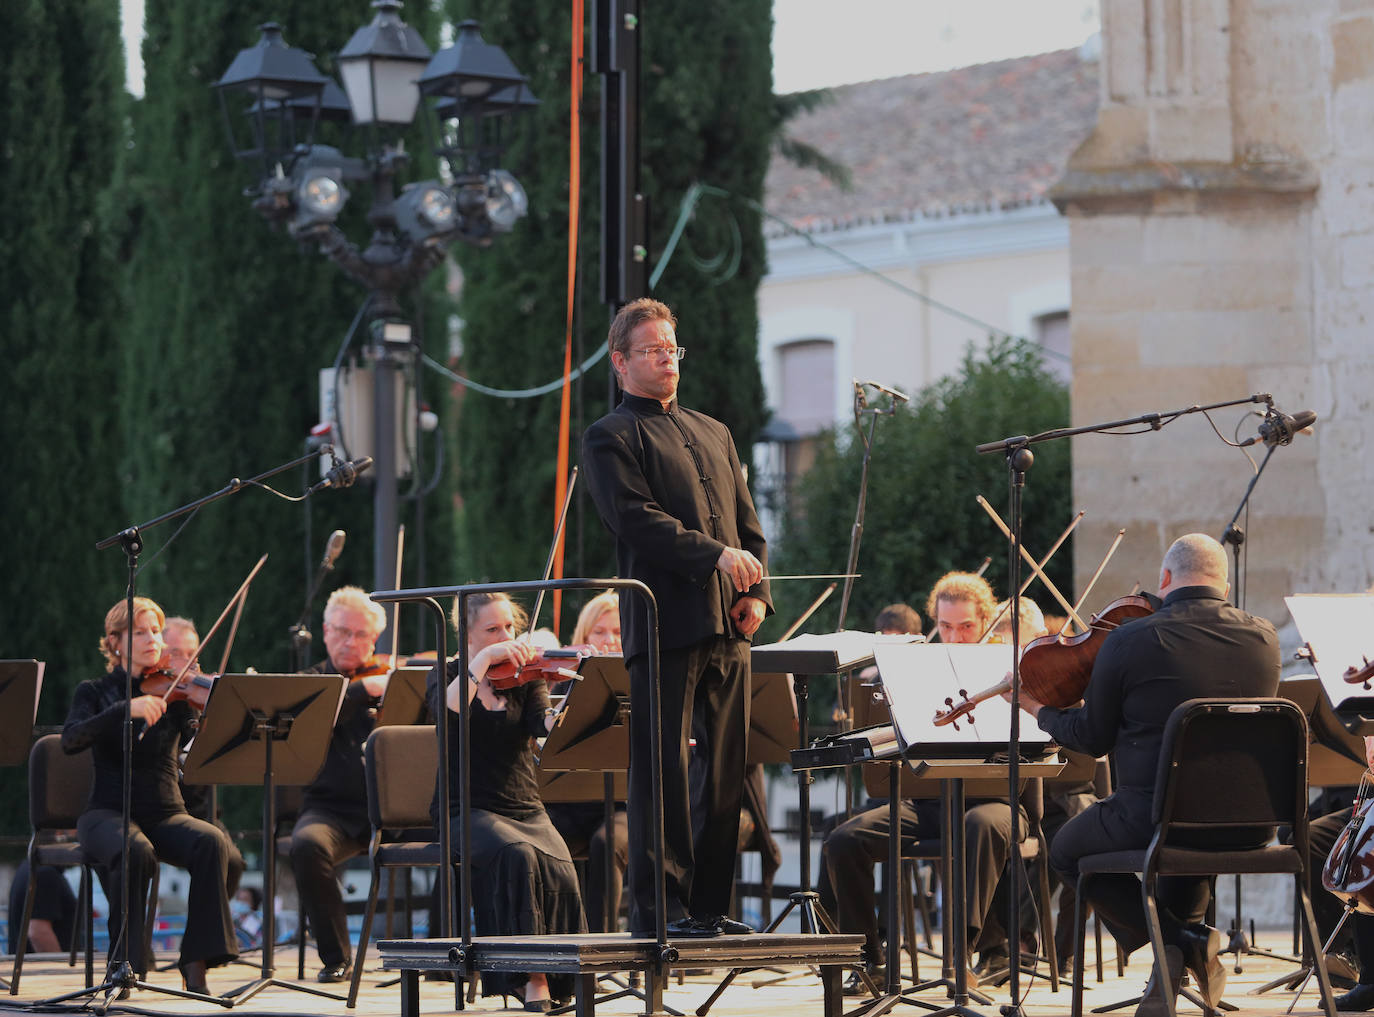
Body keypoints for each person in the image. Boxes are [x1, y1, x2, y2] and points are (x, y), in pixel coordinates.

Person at [1008, 533, 1280, 1016]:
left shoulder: (1132, 638)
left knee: (1067, 851)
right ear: (1226, 582)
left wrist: (1037, 708)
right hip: (1252, 823)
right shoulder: (1263, 637)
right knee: (1193, 835)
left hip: (1153, 817)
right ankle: (1177, 952)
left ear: (1165, 579)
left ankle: (1180, 941)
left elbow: (1091, 738)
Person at [582, 297, 772, 938]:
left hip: (729, 624)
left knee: (725, 771)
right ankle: (660, 913)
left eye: (672, 349)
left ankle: (711, 910)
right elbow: (635, 520)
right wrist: (718, 556)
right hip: (663, 621)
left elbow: (747, 520)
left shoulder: (714, 430)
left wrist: (757, 593)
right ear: (620, 362)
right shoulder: (611, 435)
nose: (667, 359)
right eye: (653, 350)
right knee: (661, 772)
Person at [821, 571, 1030, 989]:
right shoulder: (920, 670)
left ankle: (962, 956)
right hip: (929, 802)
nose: (954, 637)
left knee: (979, 825)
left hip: (996, 805)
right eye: (946, 626)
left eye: (966, 626)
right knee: (844, 840)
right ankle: (869, 960)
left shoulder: (1010, 669)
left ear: (985, 621)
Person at [62, 596, 238, 995]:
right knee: (134, 849)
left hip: (164, 811)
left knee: (212, 841)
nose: (152, 639)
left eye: (156, 631)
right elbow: (71, 739)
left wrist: (213, 714)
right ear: (115, 642)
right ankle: (125, 967)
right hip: (107, 812)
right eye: (140, 632)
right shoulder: (94, 691)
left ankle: (195, 963)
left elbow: (199, 738)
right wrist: (127, 708)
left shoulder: (174, 692)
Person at [429, 591, 585, 1010]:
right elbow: (453, 706)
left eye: (509, 628)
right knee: (517, 857)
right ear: (468, 633)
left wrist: (567, 708)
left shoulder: (527, 676)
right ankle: (528, 979)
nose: (506, 637)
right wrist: (483, 660)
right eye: (492, 629)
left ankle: (565, 977)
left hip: (523, 804)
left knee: (561, 866)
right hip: (466, 808)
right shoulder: (446, 674)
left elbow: (543, 726)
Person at [289, 585, 390, 984]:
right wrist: (363, 691)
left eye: (361, 634)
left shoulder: (390, 676)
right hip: (329, 807)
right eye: (342, 632)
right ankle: (336, 956)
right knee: (306, 845)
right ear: (326, 631)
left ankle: (440, 954)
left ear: (375, 639)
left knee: (460, 834)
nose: (351, 642)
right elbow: (310, 715)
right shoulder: (308, 682)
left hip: (392, 805)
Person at [546, 592, 631, 933]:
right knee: (537, 841)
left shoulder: (641, 679)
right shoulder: (562, 682)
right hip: (568, 802)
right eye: (600, 632)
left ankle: (602, 946)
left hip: (625, 806)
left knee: (607, 842)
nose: (609, 641)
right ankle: (550, 948)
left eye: (618, 633)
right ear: (583, 638)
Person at [161, 616, 246, 897]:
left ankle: (205, 933)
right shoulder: (152, 702)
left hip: (201, 811)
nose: (187, 666)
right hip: (160, 810)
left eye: (192, 657)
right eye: (176, 655)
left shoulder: (202, 700)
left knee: (232, 862)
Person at [7, 861, 77, 955]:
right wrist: (61, 967)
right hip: (40, 966)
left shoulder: (29, 866)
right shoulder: (45, 873)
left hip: (28, 964)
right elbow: (38, 933)